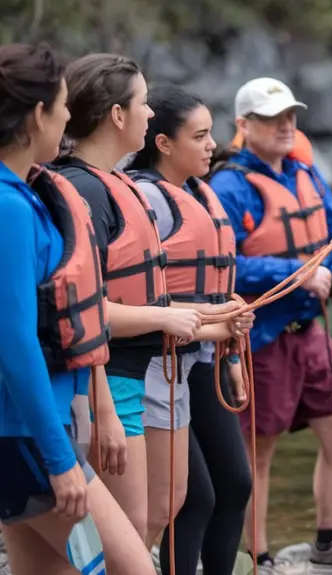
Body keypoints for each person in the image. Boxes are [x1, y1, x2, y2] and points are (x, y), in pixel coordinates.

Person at [53, 53, 243, 551]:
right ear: (118, 116)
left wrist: (212, 319)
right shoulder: (84, 191)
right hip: (111, 381)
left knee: (159, 511)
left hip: (139, 371)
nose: (149, 113)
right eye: (142, 103)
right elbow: (80, 311)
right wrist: (175, 317)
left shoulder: (114, 186)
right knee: (125, 535)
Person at [207, 77, 332, 575]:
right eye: (272, 118)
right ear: (243, 126)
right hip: (259, 339)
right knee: (256, 454)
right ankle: (258, 559)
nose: (286, 125)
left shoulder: (304, 170)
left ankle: (329, 540)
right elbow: (224, 264)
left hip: (310, 332)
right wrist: (296, 273)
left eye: (290, 116)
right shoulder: (229, 186)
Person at [0, 41, 156, 575]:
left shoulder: (22, 195)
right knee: (135, 568)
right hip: (23, 436)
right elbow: (14, 342)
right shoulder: (8, 207)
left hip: (29, 432)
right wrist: (60, 459)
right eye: (62, 106)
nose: (68, 117)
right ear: (37, 114)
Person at [125, 85, 255, 575]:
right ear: (162, 143)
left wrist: (234, 350)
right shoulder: (144, 200)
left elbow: (216, 288)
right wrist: (218, 323)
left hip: (205, 361)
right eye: (199, 136)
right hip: (160, 363)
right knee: (192, 496)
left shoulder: (201, 192)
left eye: (210, 134)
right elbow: (142, 296)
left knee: (235, 483)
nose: (210, 145)